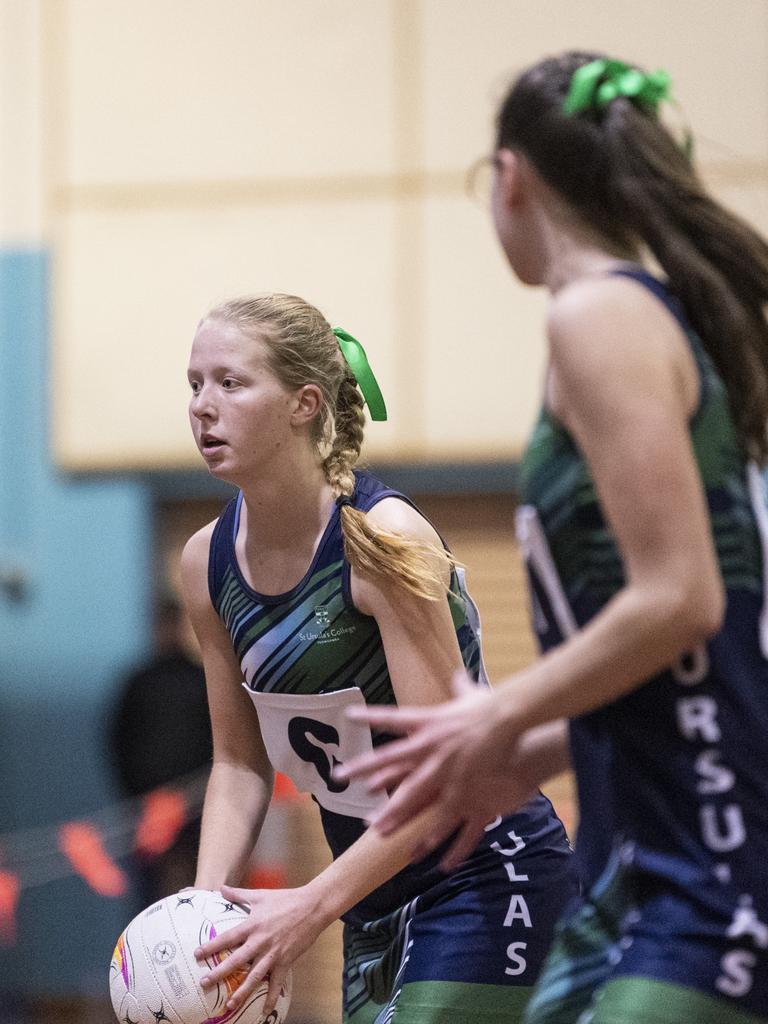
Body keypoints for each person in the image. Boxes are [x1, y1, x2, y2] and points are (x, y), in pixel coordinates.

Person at [339, 52, 768, 1024]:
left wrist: (491, 713)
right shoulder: (621, 315)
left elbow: (683, 599)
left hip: (710, 857)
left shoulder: (597, 314)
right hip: (632, 857)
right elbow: (665, 662)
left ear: (512, 177)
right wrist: (516, 754)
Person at [179, 293, 578, 1023]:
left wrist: (308, 906)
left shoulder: (380, 539)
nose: (203, 406)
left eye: (230, 383)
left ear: (304, 403)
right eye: (194, 385)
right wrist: (204, 922)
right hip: (372, 901)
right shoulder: (205, 563)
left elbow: (445, 780)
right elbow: (239, 765)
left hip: (485, 872)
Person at [109, 595, 212, 905]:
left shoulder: (200, 678)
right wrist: (137, 796)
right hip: (148, 808)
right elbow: (120, 741)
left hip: (198, 805)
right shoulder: (138, 683)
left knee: (201, 890)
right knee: (151, 897)